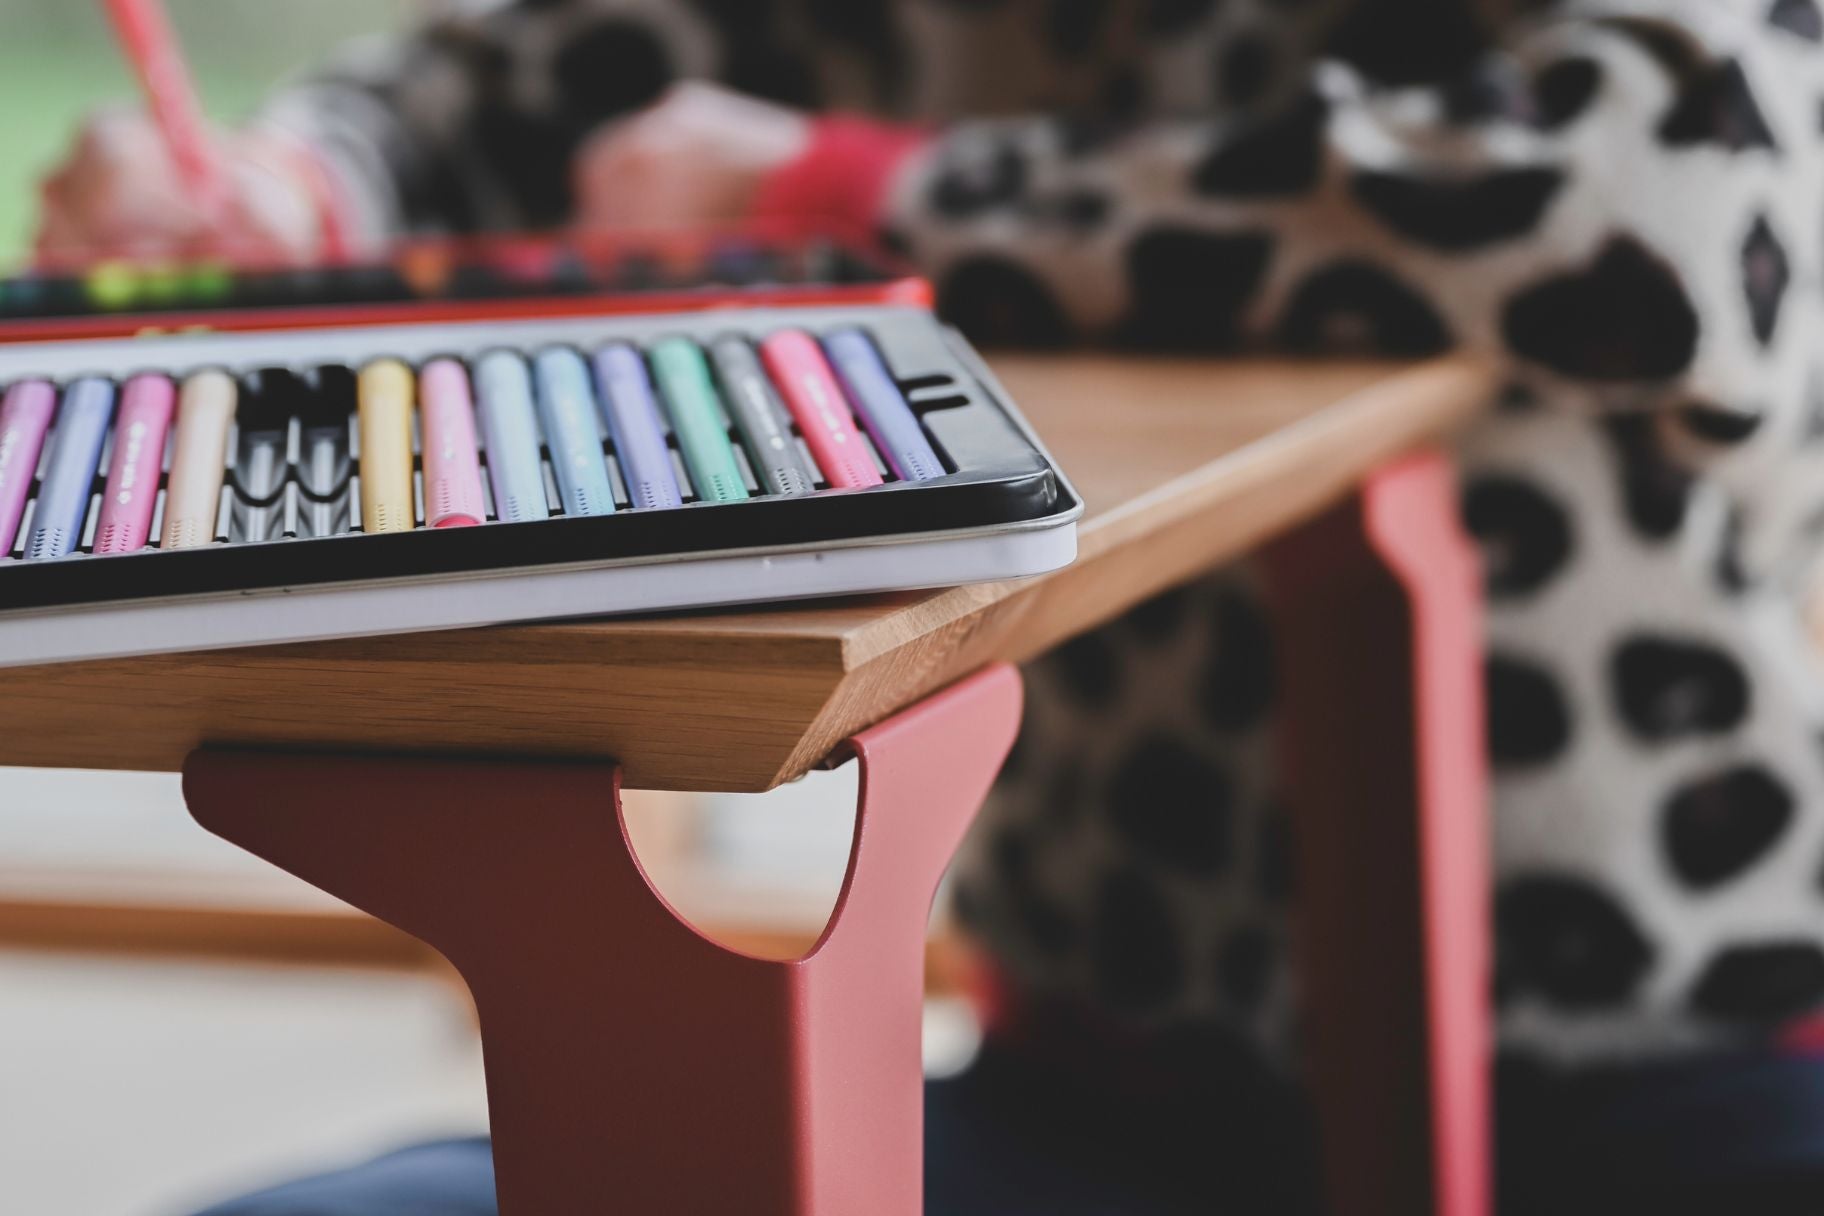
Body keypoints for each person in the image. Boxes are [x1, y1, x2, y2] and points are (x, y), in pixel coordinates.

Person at [38, 1, 1824, 1211]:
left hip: (1694, 1059)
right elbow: (528, 82)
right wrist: (288, 183)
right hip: (1092, 1098)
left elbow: (1652, 214)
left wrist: (855, 191)